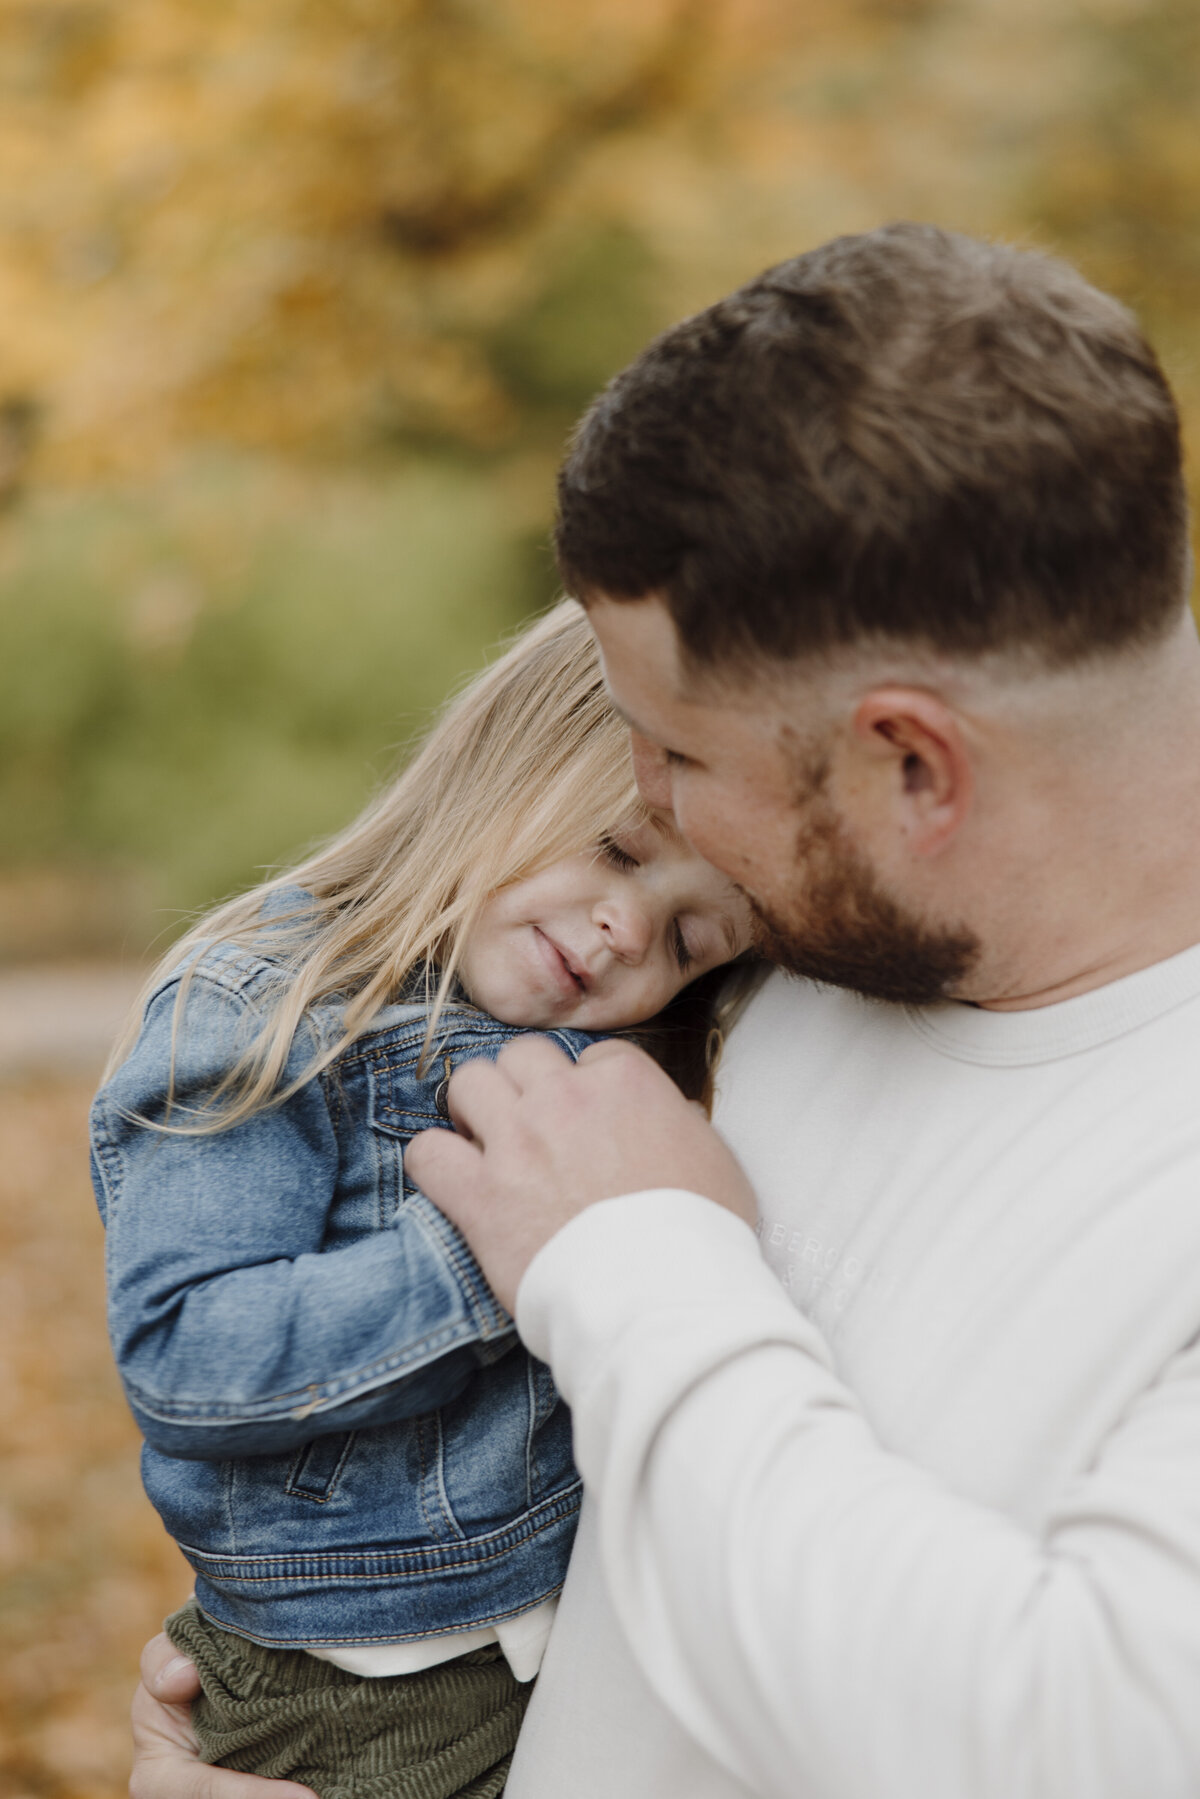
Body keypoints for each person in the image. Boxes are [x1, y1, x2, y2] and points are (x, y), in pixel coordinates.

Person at [131, 219, 1200, 1799]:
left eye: (676, 754)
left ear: (912, 762)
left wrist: (630, 1259)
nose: (643, 802)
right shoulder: (806, 961)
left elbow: (1084, 1740)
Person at [94, 600, 752, 1799]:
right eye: (617, 851)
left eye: (690, 938)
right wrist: (493, 1251)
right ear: (508, 758)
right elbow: (188, 1355)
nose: (628, 929)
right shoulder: (266, 1002)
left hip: (533, 1638)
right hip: (364, 1687)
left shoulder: (578, 1052)